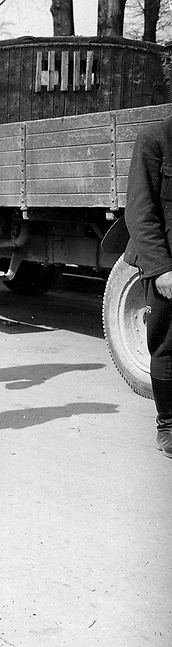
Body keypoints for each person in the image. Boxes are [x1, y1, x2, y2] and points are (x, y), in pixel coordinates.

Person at [124, 112, 172, 459]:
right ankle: (168, 425)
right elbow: (141, 211)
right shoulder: (155, 137)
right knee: (168, 347)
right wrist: (162, 269)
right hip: (169, 264)